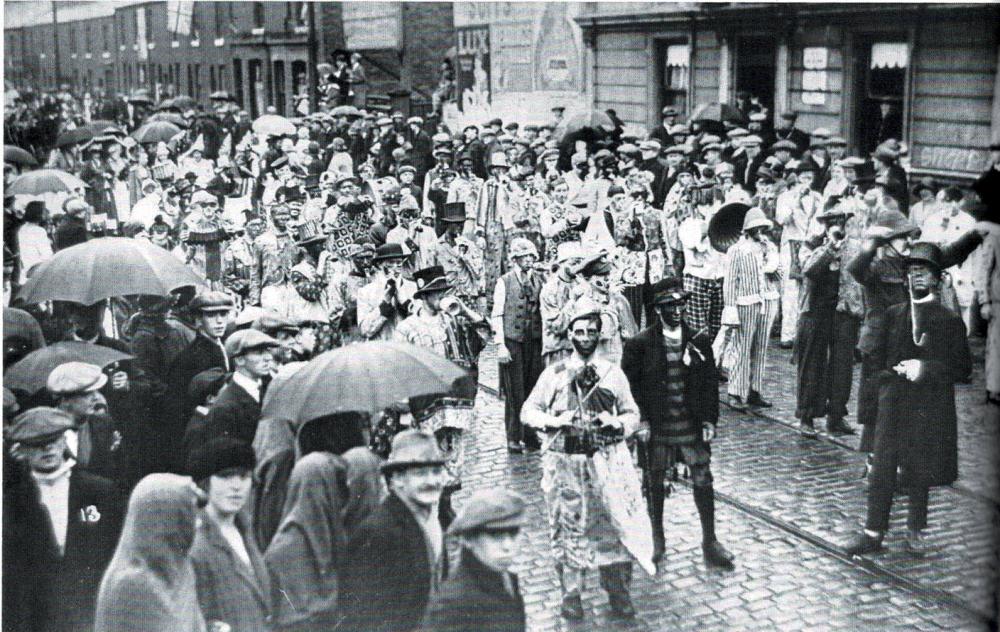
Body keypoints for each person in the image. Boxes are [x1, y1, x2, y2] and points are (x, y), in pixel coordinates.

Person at [521, 303, 648, 621]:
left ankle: (618, 591)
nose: (586, 337)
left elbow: (632, 413)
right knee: (568, 529)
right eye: (579, 331)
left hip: (608, 463)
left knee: (613, 525)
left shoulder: (612, 372)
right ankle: (571, 594)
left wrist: (618, 424)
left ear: (599, 335)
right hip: (566, 465)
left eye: (592, 331)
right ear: (569, 335)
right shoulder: (555, 374)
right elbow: (528, 412)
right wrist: (554, 420)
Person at [844, 243, 972, 556]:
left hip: (928, 406)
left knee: (919, 469)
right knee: (882, 467)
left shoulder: (948, 320)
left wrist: (924, 368)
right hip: (892, 401)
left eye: (923, 271)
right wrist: (877, 400)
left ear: (937, 279)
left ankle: (916, 530)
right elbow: (877, 363)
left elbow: (962, 369)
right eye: (912, 271)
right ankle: (873, 533)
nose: (916, 277)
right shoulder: (894, 314)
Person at [622, 277, 735, 571]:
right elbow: (630, 388)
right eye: (669, 305)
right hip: (658, 426)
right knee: (654, 481)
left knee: (703, 479)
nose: (676, 310)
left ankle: (710, 541)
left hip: (690, 423)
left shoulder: (698, 339)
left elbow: (710, 384)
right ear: (658, 310)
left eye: (680, 304)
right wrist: (642, 421)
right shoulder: (640, 344)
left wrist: (710, 419)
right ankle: (657, 537)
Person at [4, 407, 125, 632]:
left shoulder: (99, 491)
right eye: (36, 443)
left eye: (53, 440)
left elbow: (117, 551)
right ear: (21, 450)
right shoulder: (12, 502)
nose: (47, 448)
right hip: (37, 616)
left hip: (91, 608)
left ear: (64, 441)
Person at [339, 430, 448, 632]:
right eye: (420, 474)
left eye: (436, 472)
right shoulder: (378, 531)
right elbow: (362, 616)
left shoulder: (430, 519)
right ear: (397, 480)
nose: (432, 481)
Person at [94, 473, 207, 632]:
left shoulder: (180, 567)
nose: (198, 523)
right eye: (188, 514)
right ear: (165, 520)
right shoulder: (131, 585)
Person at [188, 438, 272, 632]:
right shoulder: (196, 541)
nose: (236, 486)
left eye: (244, 477)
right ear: (206, 482)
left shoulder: (246, 530)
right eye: (225, 476)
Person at [419, 489, 527, 632]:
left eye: (513, 533)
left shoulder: (506, 579)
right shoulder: (453, 605)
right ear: (468, 539)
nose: (507, 546)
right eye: (495, 535)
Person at [165, 291, 233, 470]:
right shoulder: (191, 358)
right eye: (211, 315)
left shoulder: (220, 347)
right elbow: (177, 407)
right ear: (197, 320)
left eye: (223, 314)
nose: (219, 321)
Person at [722, 208, 779, 411]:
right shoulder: (737, 250)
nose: (760, 231)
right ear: (748, 229)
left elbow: (779, 274)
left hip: (767, 299)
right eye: (756, 228)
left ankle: (755, 390)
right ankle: (735, 391)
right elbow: (729, 281)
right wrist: (730, 308)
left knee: (761, 347)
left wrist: (771, 262)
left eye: (762, 227)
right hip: (746, 302)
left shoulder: (769, 246)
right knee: (742, 346)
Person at [492, 238, 545, 454]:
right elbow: (497, 314)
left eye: (532, 256)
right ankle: (513, 436)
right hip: (513, 342)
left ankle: (531, 437)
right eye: (525, 257)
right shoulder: (504, 282)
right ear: (515, 259)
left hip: (534, 341)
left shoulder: (540, 280)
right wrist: (500, 346)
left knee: (533, 388)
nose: (530, 260)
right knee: (514, 391)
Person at [47, 361, 124, 483]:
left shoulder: (103, 423)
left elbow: (113, 472)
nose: (96, 398)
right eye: (87, 394)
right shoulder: (45, 429)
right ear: (65, 400)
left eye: (97, 391)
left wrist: (114, 450)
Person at [202, 330, 280, 448]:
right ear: (239, 360)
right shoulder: (225, 407)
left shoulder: (267, 390)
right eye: (259, 352)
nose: (268, 357)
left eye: (268, 350)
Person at [775, 162, 822, 348]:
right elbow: (782, 220)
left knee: (809, 290)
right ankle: (788, 334)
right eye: (803, 178)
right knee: (790, 290)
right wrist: (795, 202)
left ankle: (806, 333)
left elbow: (821, 222)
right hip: (792, 246)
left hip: (809, 245)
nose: (806, 182)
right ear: (797, 178)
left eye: (810, 178)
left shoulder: (818, 198)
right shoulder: (785, 197)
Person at [357, 242, 417, 340]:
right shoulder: (366, 292)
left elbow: (422, 322)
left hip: (408, 348)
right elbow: (364, 331)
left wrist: (406, 304)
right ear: (379, 265)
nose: (395, 267)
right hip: (382, 349)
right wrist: (384, 306)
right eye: (390, 263)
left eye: (398, 262)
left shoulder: (413, 288)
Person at [17, 200, 53, 285]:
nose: (46, 213)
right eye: (44, 211)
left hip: (25, 270)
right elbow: (47, 255)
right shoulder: (39, 231)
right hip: (38, 270)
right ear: (38, 213)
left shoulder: (22, 228)